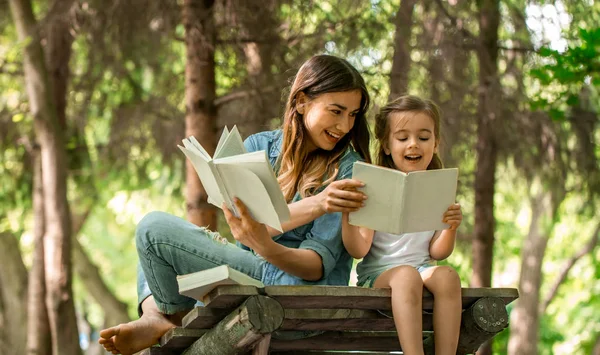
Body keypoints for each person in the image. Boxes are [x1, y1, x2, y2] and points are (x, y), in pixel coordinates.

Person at [99, 54, 372, 355]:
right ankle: (156, 317)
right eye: (336, 111)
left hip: (300, 294)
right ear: (302, 101)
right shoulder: (260, 147)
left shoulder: (348, 169)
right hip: (251, 276)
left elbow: (316, 266)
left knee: (153, 230)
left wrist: (267, 245)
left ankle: (161, 317)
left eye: (353, 115)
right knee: (153, 250)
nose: (345, 125)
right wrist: (316, 204)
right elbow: (247, 231)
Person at [341, 95, 463, 355]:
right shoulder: (374, 186)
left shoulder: (438, 189)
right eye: (403, 137)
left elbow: (437, 253)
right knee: (406, 274)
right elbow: (358, 250)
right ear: (386, 145)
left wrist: (450, 227)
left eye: (423, 137)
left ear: (436, 143)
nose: (413, 145)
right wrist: (347, 217)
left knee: (447, 276)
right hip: (379, 275)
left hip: (421, 269)